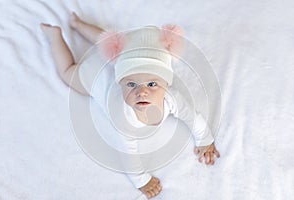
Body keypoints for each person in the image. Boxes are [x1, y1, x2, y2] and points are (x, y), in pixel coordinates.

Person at [41, 12, 220, 199]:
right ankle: (56, 36)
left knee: (111, 42)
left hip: (121, 60)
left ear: (167, 84)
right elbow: (129, 155)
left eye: (152, 84)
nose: (141, 92)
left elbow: (192, 116)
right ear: (121, 84)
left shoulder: (172, 98)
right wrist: (142, 180)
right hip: (94, 76)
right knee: (68, 72)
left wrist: (204, 138)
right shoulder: (125, 118)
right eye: (131, 85)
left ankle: (78, 25)